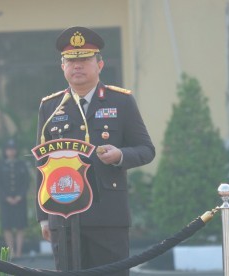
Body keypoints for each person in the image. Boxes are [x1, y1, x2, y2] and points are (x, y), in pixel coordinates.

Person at [36, 26, 155, 275]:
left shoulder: (121, 101)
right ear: (62, 67)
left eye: (84, 59)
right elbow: (43, 164)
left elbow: (146, 149)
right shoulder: (50, 107)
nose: (77, 66)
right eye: (71, 60)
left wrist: (120, 156)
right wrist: (44, 217)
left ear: (99, 65)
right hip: (64, 214)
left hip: (107, 217)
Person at [0, 138, 30, 259]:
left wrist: (20, 196)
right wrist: (6, 197)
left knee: (20, 226)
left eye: (13, 149)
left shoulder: (21, 164)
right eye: (9, 149)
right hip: (5, 201)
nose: (11, 152)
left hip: (20, 200)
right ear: (5, 151)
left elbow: (26, 182)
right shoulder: (0, 165)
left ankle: (19, 252)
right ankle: (11, 251)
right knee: (7, 226)